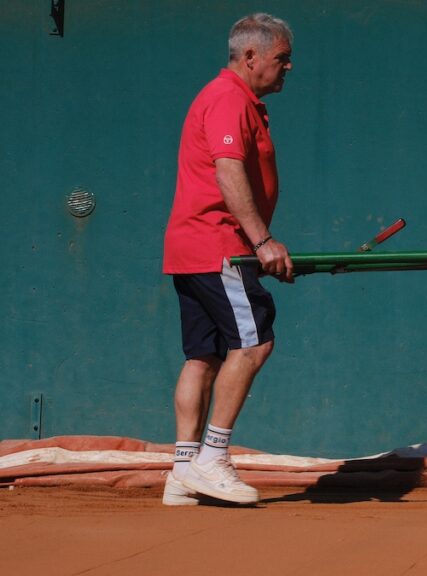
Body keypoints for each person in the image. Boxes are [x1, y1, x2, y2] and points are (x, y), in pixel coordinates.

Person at [161, 13, 295, 505]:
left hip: (191, 248)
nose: (288, 67)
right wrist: (261, 242)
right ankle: (213, 459)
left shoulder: (236, 100)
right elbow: (228, 170)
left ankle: (181, 472)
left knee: (204, 357)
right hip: (220, 246)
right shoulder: (227, 98)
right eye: (281, 58)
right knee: (255, 343)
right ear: (251, 57)